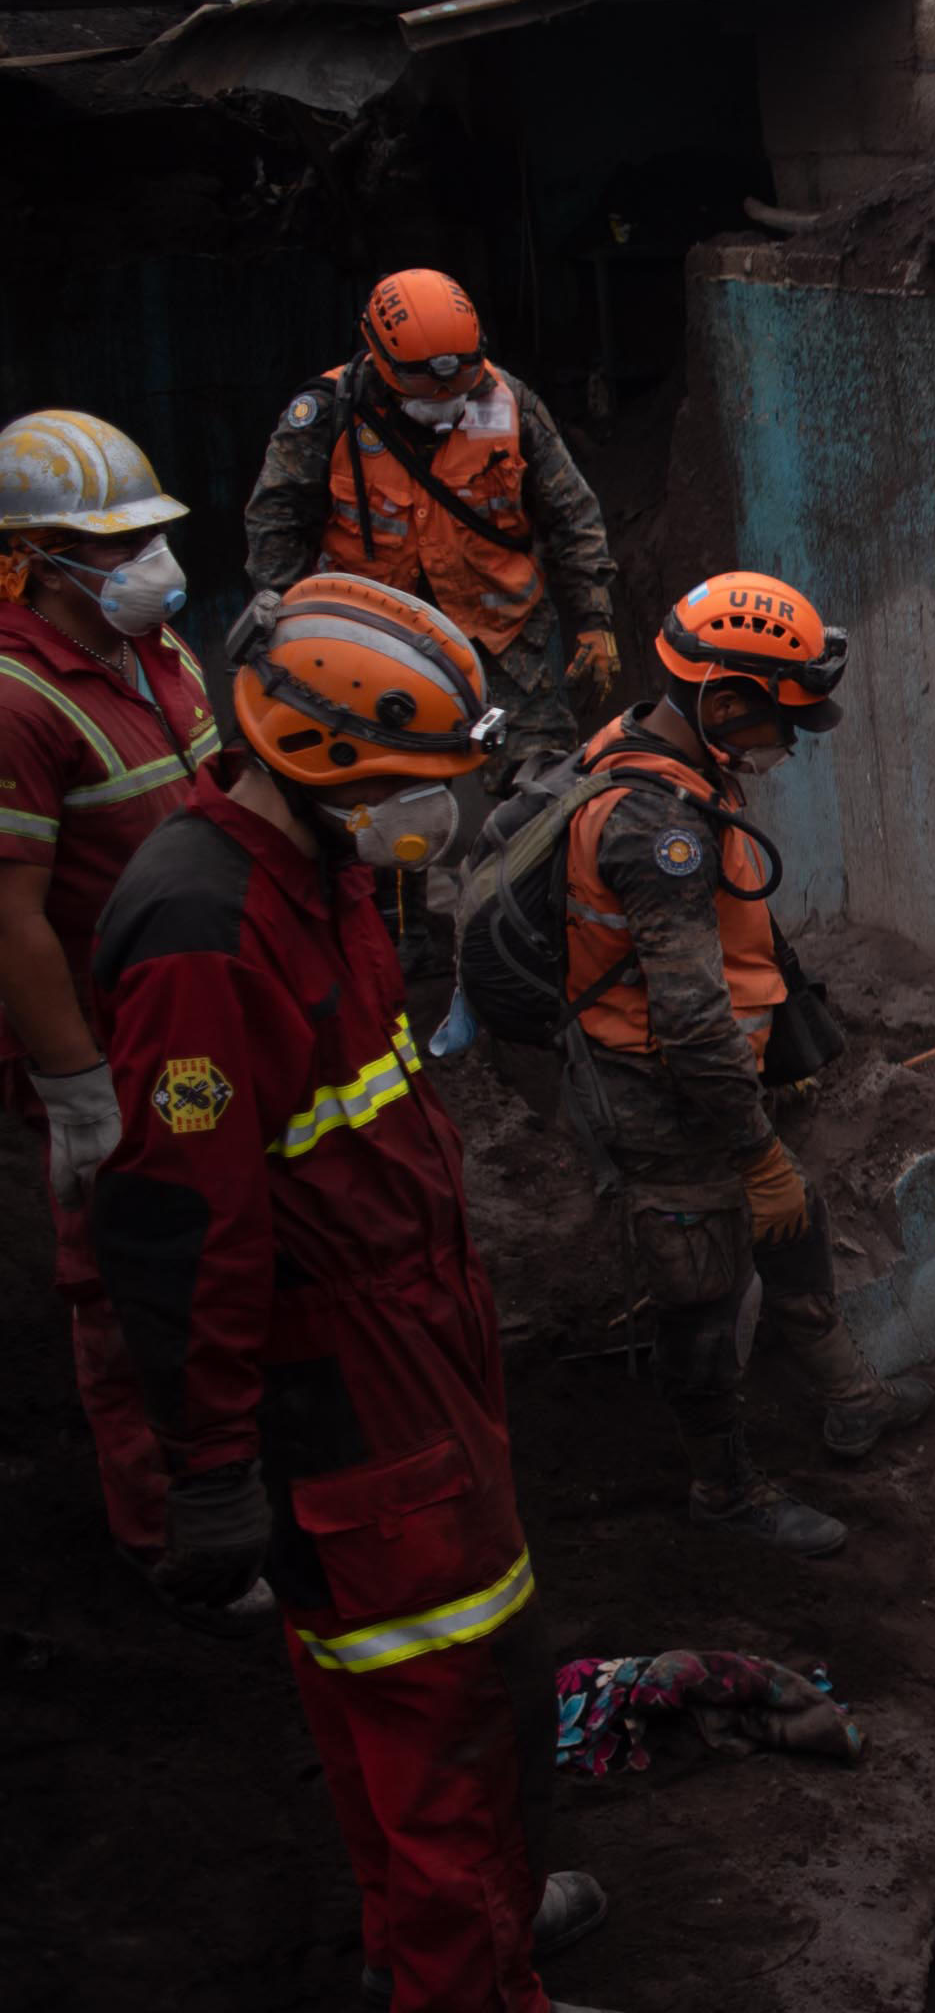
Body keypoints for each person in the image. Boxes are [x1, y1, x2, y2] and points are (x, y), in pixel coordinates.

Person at [82, 575, 610, 2013]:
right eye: (413, 786)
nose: (431, 818)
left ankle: (442, 1933)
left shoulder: (318, 871)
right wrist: (201, 1471)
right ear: (320, 759)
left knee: (424, 1698)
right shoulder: (202, 934)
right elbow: (180, 1231)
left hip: (410, 1336)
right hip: (347, 1384)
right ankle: (471, 1973)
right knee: (452, 1716)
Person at [556, 571, 924, 1557]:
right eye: (779, 719)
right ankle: (725, 1486)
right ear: (721, 702)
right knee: (702, 1294)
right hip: (659, 1095)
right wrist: (752, 1149)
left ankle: (851, 1396)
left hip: (703, 1081)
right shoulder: (656, 826)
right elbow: (688, 1018)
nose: (789, 741)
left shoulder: (654, 752)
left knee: (793, 1224)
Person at [0, 409, 264, 1623]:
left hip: (197, 1006)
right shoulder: (14, 700)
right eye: (111, 546)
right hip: (111, 1040)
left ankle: (243, 1468)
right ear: (35, 559)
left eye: (147, 535)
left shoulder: (157, 650)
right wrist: (74, 1088)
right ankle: (167, 1529)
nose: (146, 561)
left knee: (227, 1249)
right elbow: (15, 916)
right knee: (125, 1280)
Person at [243, 268, 618, 970]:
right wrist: (291, 627)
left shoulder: (510, 405)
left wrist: (595, 620)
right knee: (388, 793)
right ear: (379, 361)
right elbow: (276, 523)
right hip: (379, 648)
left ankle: (547, 939)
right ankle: (399, 943)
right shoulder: (324, 416)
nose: (446, 401)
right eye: (426, 388)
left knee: (542, 788)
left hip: (504, 637)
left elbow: (572, 516)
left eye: (460, 382)